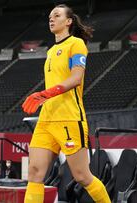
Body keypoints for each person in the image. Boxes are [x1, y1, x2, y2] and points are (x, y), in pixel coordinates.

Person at [21, 4, 110, 203]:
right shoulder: (51, 51)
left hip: (69, 118)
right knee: (34, 173)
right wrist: (45, 99)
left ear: (68, 21)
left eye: (57, 15)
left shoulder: (76, 44)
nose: (51, 19)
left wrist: (44, 94)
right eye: (50, 16)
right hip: (46, 119)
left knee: (82, 176)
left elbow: (76, 78)